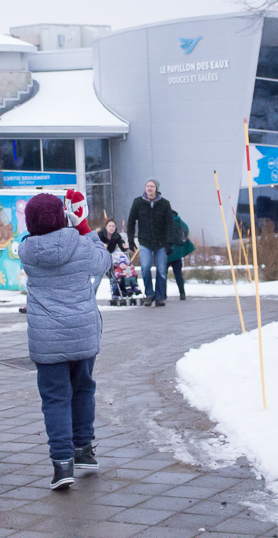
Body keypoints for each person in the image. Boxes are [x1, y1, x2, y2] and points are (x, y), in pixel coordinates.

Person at [19, 190, 109, 490]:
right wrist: (84, 228)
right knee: (83, 390)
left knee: (55, 399)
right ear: (62, 217)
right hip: (82, 333)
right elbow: (104, 263)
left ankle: (61, 465)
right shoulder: (81, 244)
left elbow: (31, 240)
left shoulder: (26, 253)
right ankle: (83, 450)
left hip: (47, 338)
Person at [126, 178, 175, 307]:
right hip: (145, 241)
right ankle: (149, 294)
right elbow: (131, 221)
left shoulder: (164, 204)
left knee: (161, 269)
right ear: (145, 188)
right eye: (147, 186)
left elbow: (170, 224)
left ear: (156, 189)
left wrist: (170, 242)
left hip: (161, 242)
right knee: (146, 267)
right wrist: (130, 240)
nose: (149, 188)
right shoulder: (138, 202)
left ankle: (159, 296)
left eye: (152, 186)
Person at [91, 219, 127, 294]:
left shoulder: (116, 235)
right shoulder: (101, 234)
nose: (111, 228)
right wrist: (101, 245)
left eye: (113, 226)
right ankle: (92, 296)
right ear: (106, 227)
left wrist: (124, 246)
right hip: (100, 260)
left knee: (113, 278)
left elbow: (121, 243)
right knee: (98, 280)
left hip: (110, 260)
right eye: (109, 226)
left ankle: (115, 294)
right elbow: (94, 244)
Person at [166, 211, 195, 301]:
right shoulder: (179, 220)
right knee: (178, 274)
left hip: (166, 251)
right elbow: (185, 230)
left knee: (163, 274)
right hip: (177, 252)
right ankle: (182, 293)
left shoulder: (166, 220)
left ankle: (162, 294)